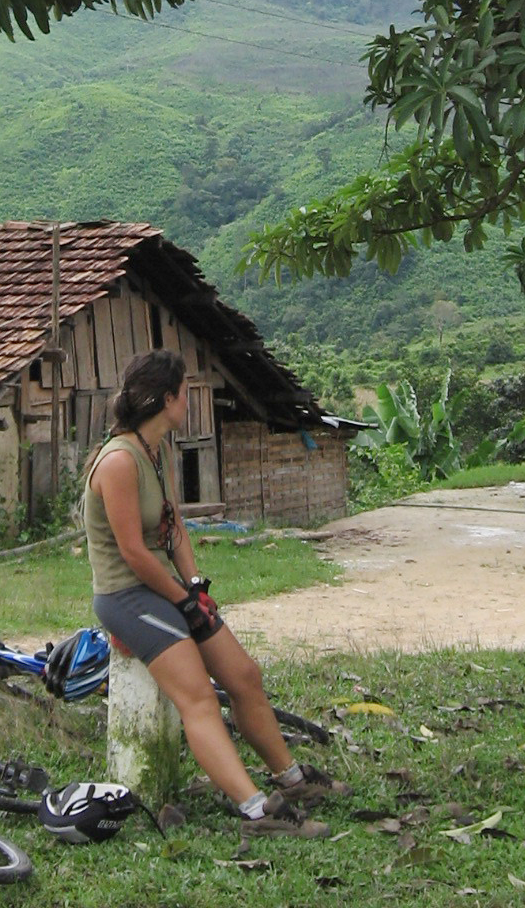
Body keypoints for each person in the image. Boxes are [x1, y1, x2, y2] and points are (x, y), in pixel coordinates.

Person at [83, 348, 346, 838]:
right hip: (126, 595)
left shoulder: (157, 450)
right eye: (185, 393)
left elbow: (173, 527)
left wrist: (195, 587)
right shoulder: (119, 461)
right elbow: (134, 553)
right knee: (199, 699)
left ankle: (291, 780)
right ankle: (256, 811)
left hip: (164, 588)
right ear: (167, 399)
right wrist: (181, 600)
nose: (189, 402)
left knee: (244, 676)